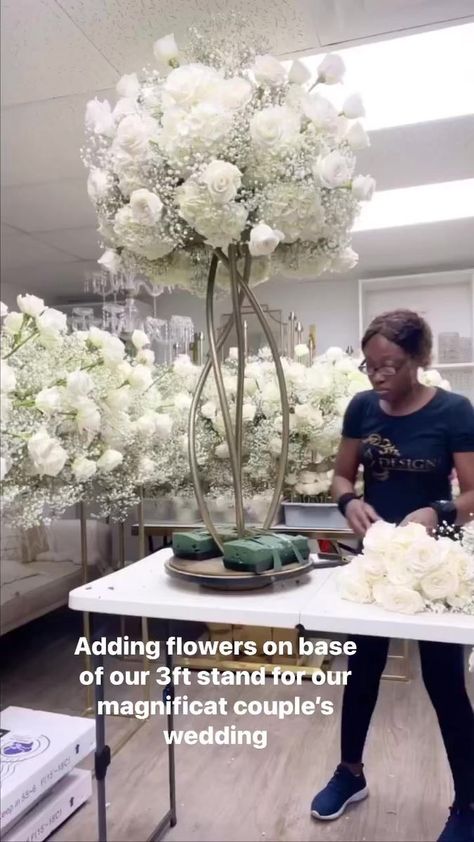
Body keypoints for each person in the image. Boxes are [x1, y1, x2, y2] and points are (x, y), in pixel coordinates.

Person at [310, 309, 474, 842]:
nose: (378, 376)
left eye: (390, 365)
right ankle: (350, 774)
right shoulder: (362, 408)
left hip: (434, 567)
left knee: (445, 682)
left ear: (419, 360)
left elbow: (473, 493)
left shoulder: (454, 411)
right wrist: (348, 502)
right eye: (370, 365)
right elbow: (340, 475)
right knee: (361, 670)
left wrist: (437, 511)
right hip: (376, 562)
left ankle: (467, 801)